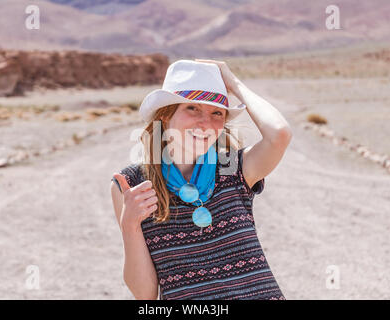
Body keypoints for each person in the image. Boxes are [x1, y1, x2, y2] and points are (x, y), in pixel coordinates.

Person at [111, 59, 292, 300]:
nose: (205, 123)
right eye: (192, 108)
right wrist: (130, 225)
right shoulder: (132, 185)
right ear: (165, 115)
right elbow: (145, 295)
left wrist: (234, 83)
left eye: (217, 112)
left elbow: (279, 134)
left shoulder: (233, 169)